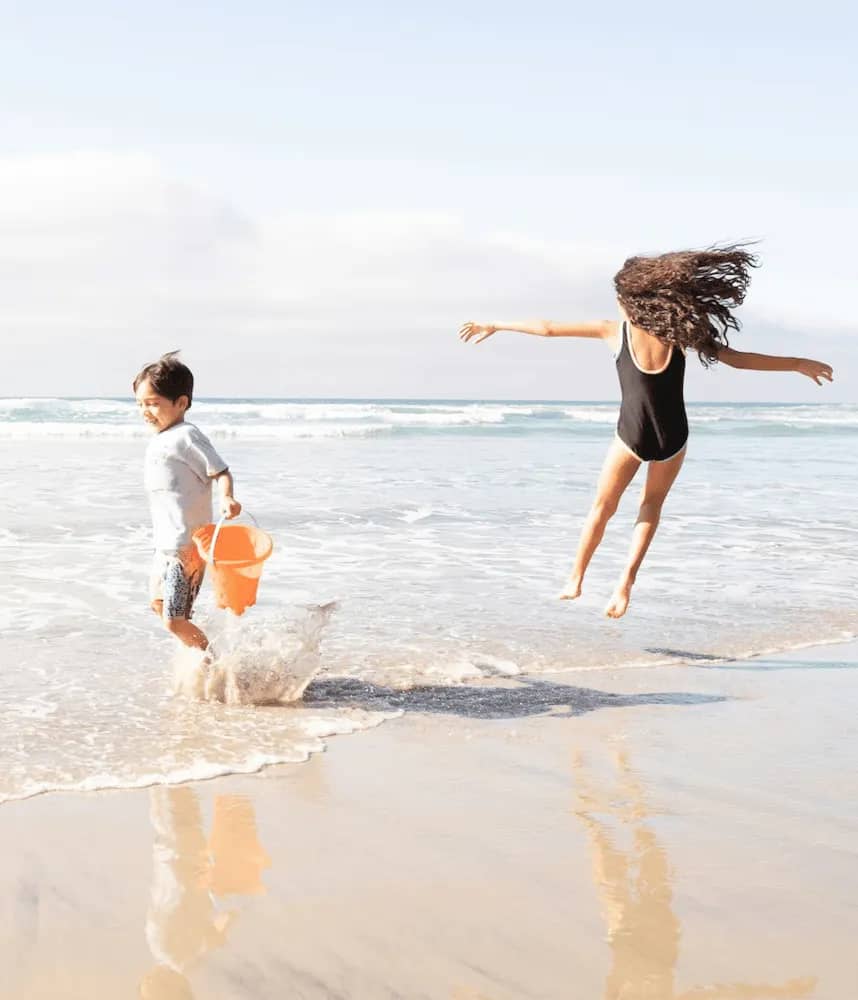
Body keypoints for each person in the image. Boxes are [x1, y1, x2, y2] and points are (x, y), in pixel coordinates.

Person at [459, 245, 834, 618]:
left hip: (631, 435)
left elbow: (547, 329)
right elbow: (737, 360)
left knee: (602, 508)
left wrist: (496, 324)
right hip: (673, 435)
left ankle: (575, 578)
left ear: (631, 301)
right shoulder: (682, 335)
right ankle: (624, 584)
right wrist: (797, 363)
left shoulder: (614, 331)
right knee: (651, 506)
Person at [134, 351, 241, 652]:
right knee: (159, 606)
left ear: (181, 403)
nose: (145, 411)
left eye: (153, 403)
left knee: (174, 619)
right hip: (164, 547)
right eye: (140, 404)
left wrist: (228, 497)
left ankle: (213, 666)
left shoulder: (187, 436)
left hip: (186, 549)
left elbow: (221, 471)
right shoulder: (159, 439)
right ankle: (198, 661)